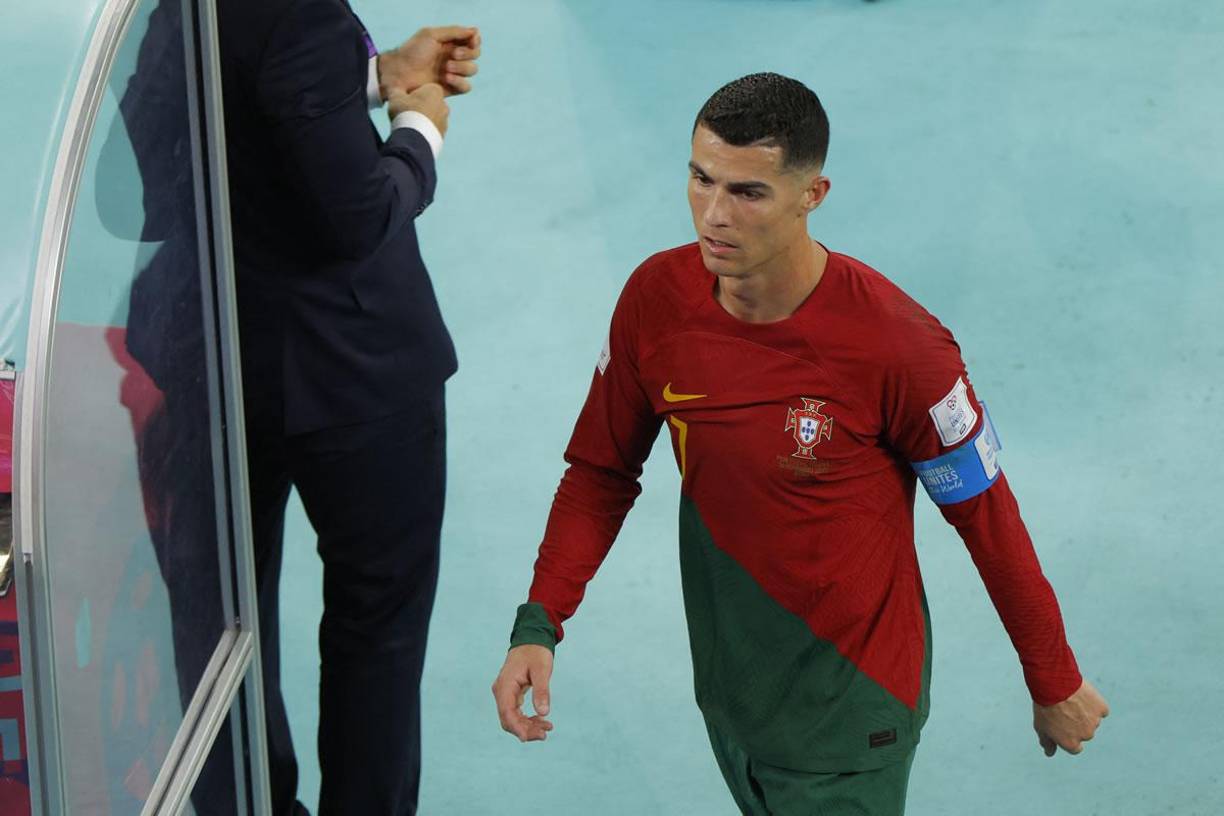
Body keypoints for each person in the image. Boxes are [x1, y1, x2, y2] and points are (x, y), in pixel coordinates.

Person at [491, 73, 1109, 815]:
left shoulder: (901, 347)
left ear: (812, 195)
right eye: (700, 178)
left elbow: (987, 514)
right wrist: (540, 623)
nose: (713, 216)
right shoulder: (654, 300)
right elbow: (600, 472)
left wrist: (1054, 675)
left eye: (747, 193)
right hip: (732, 703)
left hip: (851, 721)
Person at [213, 1, 480, 812]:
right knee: (379, 633)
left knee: (222, 624)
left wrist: (367, 78)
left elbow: (220, 121)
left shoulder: (172, 14)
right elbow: (359, 213)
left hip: (213, 359)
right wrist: (418, 128)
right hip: (359, 373)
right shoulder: (301, 16)